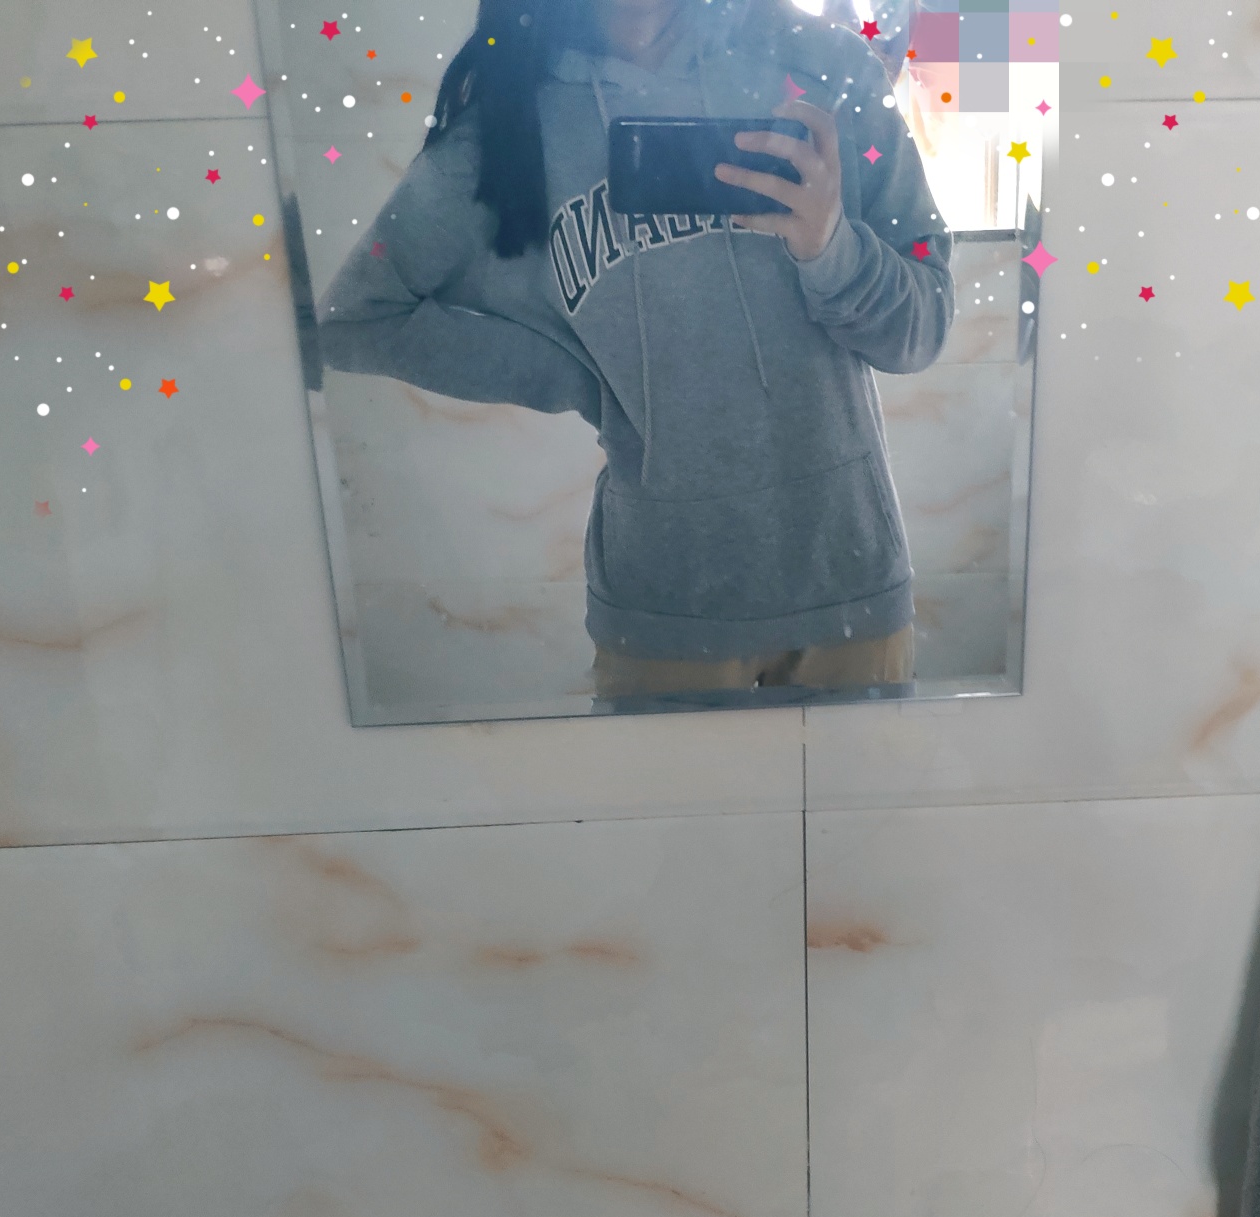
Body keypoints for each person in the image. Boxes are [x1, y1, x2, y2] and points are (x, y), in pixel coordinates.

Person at [316, 0, 955, 705]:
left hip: (851, 586)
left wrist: (832, 248)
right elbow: (354, 320)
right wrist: (576, 375)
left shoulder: (825, 69)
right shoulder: (506, 129)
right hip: (665, 609)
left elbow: (922, 327)